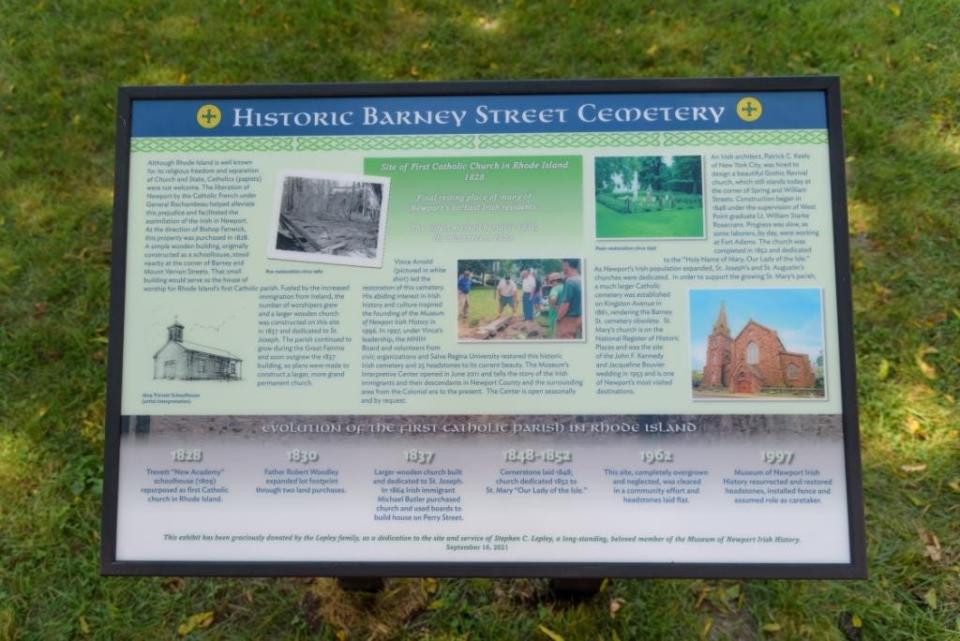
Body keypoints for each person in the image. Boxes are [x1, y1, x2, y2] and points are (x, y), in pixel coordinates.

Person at [555, 259, 583, 339]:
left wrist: (558, 318)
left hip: (568, 320)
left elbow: (565, 304)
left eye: (562, 264)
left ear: (566, 264)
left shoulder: (570, 281)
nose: (562, 266)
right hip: (578, 318)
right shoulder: (580, 279)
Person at [546, 272, 565, 337]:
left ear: (553, 281)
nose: (551, 284)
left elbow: (553, 298)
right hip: (565, 316)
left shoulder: (555, 289)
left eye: (550, 282)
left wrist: (554, 306)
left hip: (555, 317)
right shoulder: (565, 287)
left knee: (556, 336)